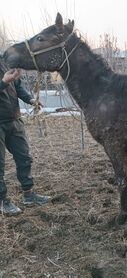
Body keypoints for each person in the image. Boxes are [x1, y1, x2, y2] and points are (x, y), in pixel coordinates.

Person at [0, 62, 50, 215]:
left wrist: (30, 100)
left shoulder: (5, 61)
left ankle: (29, 194)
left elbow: (18, 87)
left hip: (14, 119)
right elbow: (6, 83)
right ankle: (3, 202)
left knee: (24, 158)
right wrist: (3, 83)